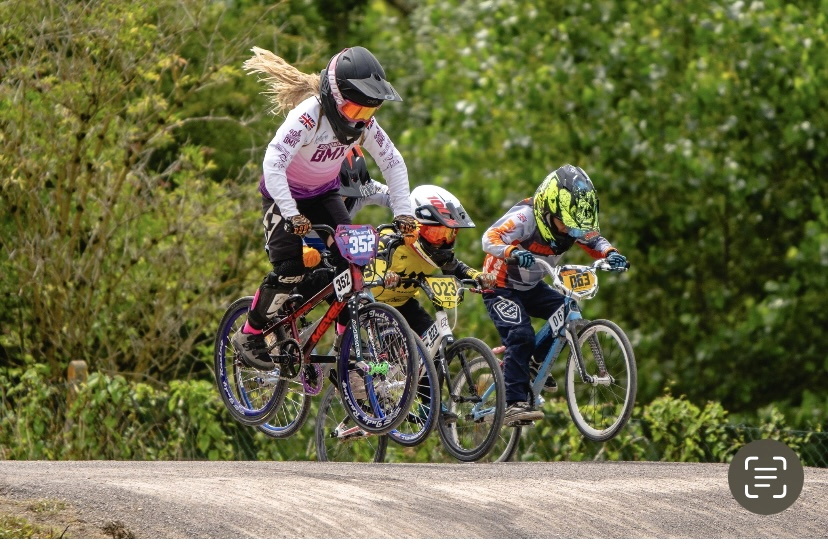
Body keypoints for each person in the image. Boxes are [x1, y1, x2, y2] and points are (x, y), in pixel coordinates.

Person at [233, 46, 417, 371]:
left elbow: (392, 161)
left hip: (323, 195)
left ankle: (346, 353)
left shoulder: (365, 124)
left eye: (367, 113)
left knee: (351, 263)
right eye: (354, 109)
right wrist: (291, 214)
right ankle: (250, 332)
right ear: (334, 96)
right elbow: (273, 163)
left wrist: (403, 212)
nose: (359, 119)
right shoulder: (308, 116)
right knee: (291, 266)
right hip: (283, 195)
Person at [480, 165, 629, 424]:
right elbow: (489, 237)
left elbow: (593, 239)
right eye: (566, 225)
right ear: (548, 211)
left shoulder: (571, 223)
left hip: (532, 285)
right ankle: (513, 403)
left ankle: (534, 363)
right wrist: (511, 252)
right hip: (500, 286)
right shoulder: (525, 218)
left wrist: (610, 253)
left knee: (566, 310)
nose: (571, 232)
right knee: (521, 335)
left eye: (575, 227)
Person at [369, 185, 496, 420]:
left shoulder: (440, 253)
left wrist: (479, 277)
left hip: (405, 303)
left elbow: (457, 268)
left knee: (435, 349)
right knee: (384, 356)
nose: (442, 242)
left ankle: (430, 408)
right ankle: (371, 386)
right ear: (416, 228)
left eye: (449, 235)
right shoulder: (390, 242)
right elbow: (368, 266)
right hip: (376, 306)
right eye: (437, 234)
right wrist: (383, 275)